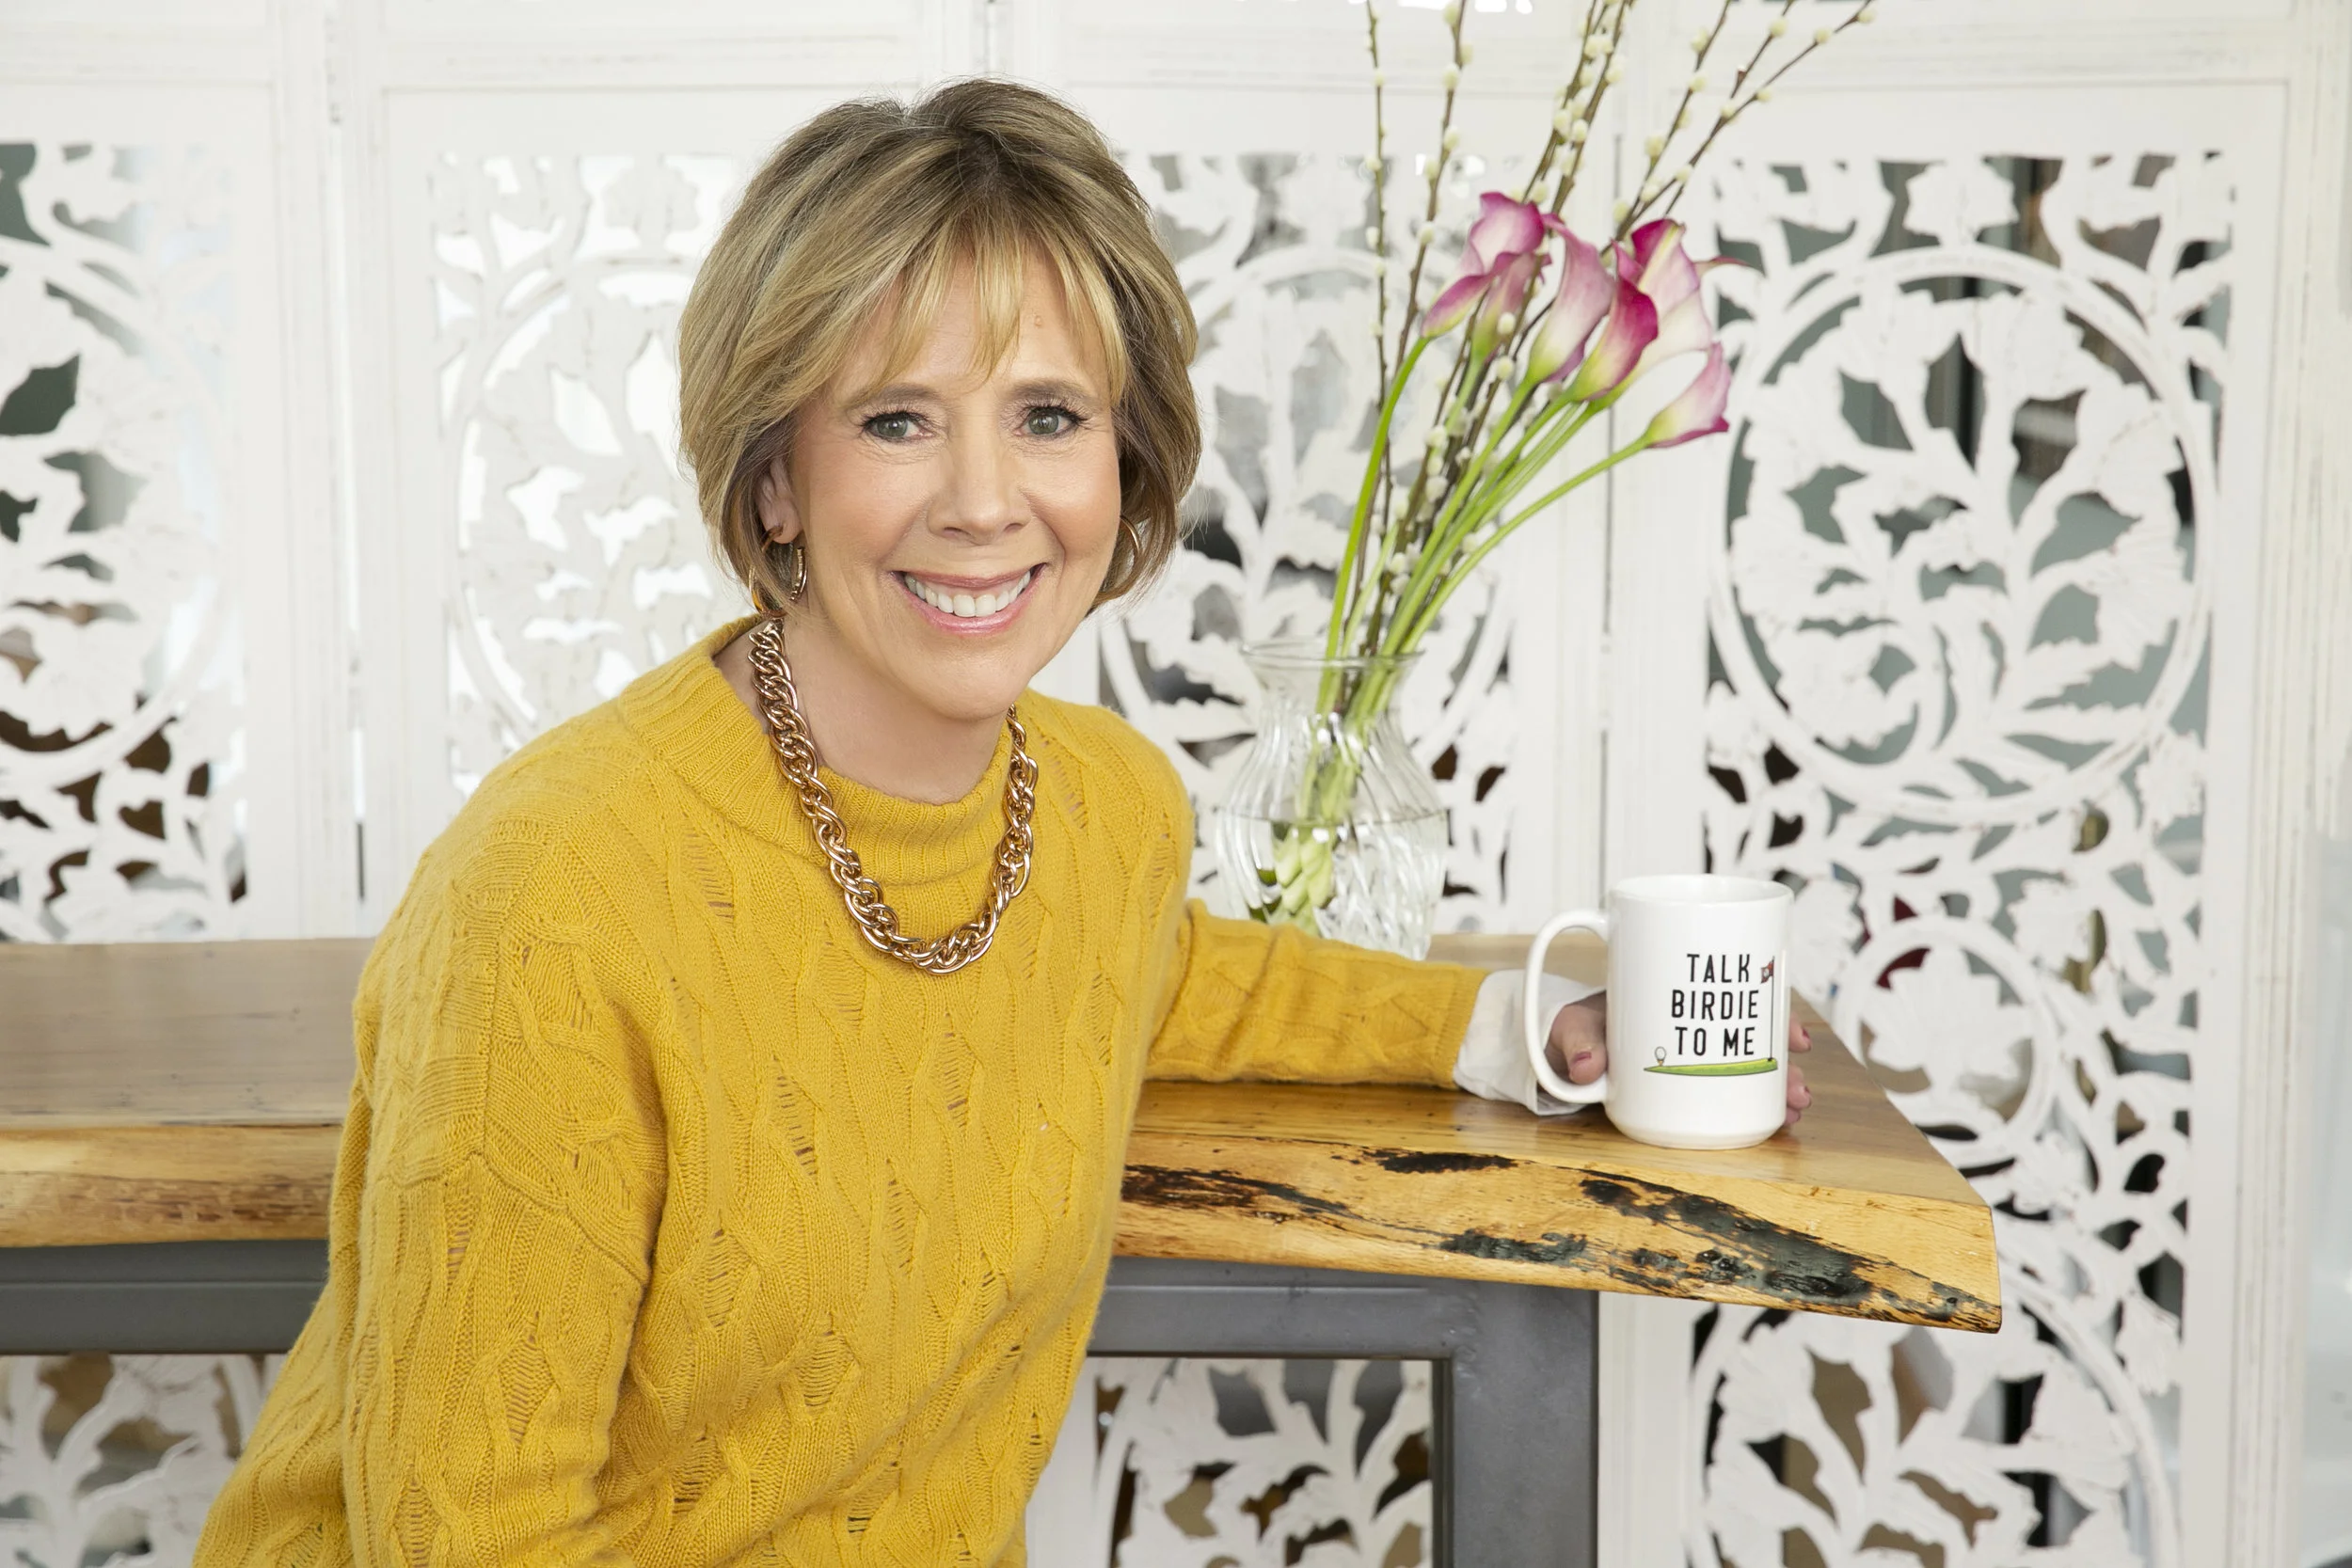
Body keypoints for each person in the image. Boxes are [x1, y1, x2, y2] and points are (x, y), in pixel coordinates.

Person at [192, 78, 1808, 1567]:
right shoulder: (551, 895)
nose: (984, 500)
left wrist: (1520, 1026)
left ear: (1126, 458)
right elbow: (465, 1538)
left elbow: (1170, 969)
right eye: (897, 418)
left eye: (1048, 415)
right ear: (776, 478)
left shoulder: (1103, 803)